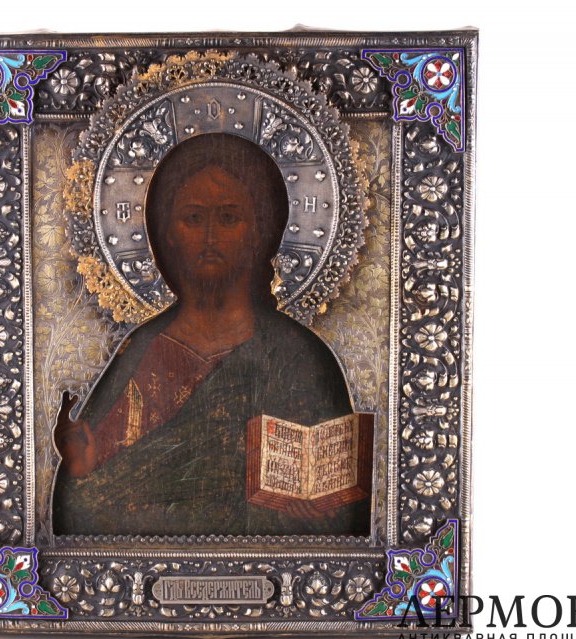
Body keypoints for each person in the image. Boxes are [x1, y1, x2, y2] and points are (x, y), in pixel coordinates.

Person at [53, 133, 369, 536]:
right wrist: (81, 472)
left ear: (260, 231)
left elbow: (345, 517)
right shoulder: (143, 350)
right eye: (193, 218)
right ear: (167, 232)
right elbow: (83, 510)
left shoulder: (300, 359)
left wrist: (319, 513)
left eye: (228, 218)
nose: (210, 238)